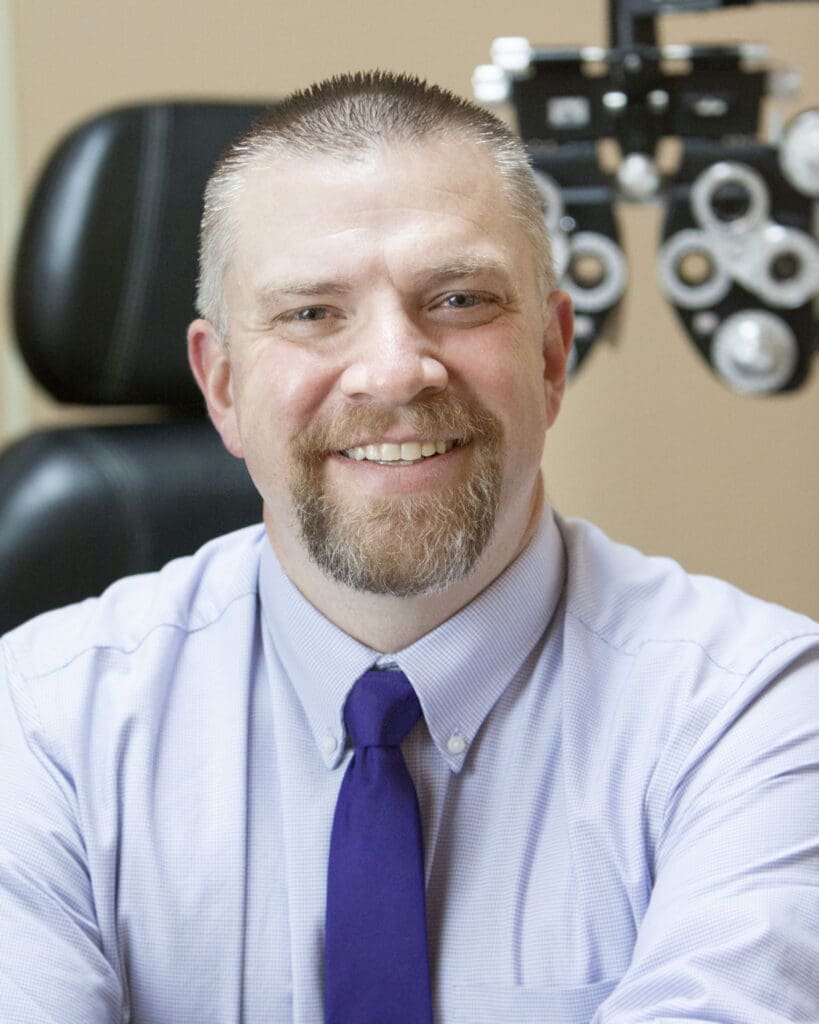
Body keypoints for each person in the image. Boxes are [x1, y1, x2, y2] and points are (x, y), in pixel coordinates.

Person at [1, 71, 817, 1024]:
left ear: (551, 357)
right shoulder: (40, 723)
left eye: (461, 299)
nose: (394, 370)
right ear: (221, 388)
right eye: (312, 312)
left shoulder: (755, 713)